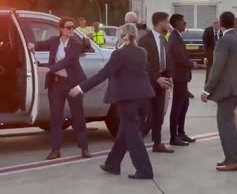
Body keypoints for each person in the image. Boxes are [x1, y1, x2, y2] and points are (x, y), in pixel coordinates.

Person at [69, 24, 155, 179]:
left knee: (133, 134)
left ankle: (145, 170)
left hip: (127, 98)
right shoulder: (142, 52)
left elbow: (104, 73)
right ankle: (112, 164)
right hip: (143, 96)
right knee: (125, 131)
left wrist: (81, 88)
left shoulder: (119, 54)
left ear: (120, 36)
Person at [28, 17, 90, 160]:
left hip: (73, 84)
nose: (72, 30)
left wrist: (49, 69)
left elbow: (68, 61)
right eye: (68, 27)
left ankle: (84, 148)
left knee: (78, 116)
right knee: (55, 118)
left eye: (73, 27)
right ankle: (55, 150)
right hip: (56, 84)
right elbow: (41, 44)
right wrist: (32, 45)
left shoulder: (76, 44)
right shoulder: (54, 41)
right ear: (61, 29)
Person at [201, 11, 237, 172]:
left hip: (226, 90)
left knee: (225, 124)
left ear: (221, 24)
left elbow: (217, 68)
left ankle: (235, 160)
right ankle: (230, 157)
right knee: (227, 122)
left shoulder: (223, 41)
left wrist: (206, 89)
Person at [138, 12, 174, 153]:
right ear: (160, 23)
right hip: (148, 82)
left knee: (159, 113)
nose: (168, 25)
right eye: (167, 22)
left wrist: (168, 76)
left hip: (162, 82)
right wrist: (156, 78)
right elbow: (143, 64)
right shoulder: (144, 41)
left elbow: (166, 60)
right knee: (144, 114)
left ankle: (157, 143)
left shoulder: (164, 40)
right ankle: (136, 142)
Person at [168, 14, 198, 146]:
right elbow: (179, 57)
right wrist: (191, 64)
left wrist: (189, 62)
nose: (185, 23)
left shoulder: (177, 37)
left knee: (184, 104)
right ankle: (173, 137)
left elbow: (182, 55)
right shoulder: (174, 38)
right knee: (177, 106)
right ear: (176, 23)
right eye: (182, 21)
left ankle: (181, 132)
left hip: (182, 77)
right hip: (178, 77)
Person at [202, 18, 222, 84]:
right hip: (210, 57)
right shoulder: (208, 31)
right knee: (209, 75)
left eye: (217, 23)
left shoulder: (223, 31)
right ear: (212, 24)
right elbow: (205, 45)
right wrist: (205, 57)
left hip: (221, 57)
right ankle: (206, 91)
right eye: (214, 23)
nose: (216, 24)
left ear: (220, 24)